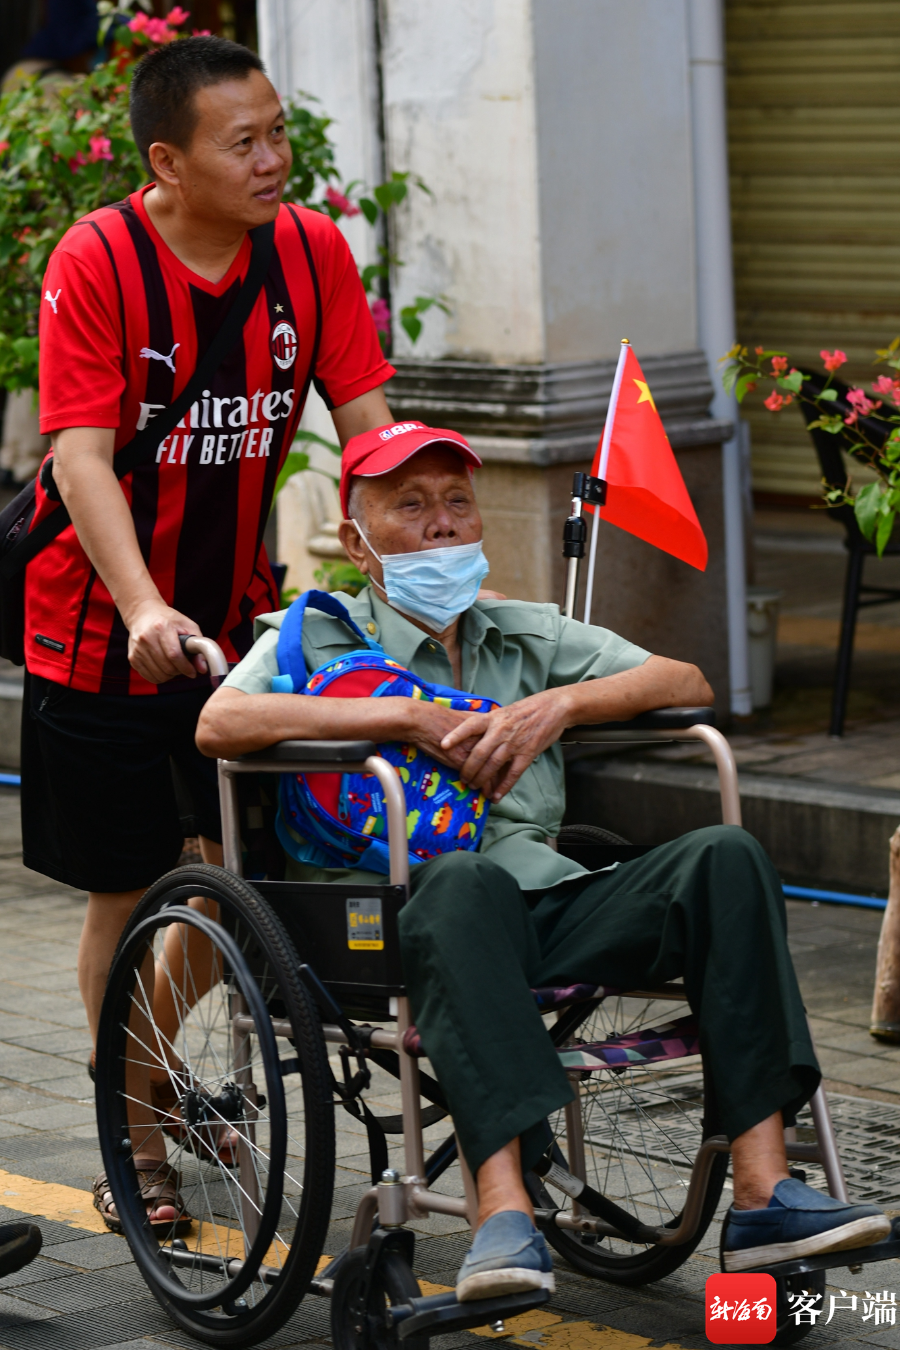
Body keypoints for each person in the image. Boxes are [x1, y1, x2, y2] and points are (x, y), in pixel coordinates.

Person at [197, 420, 890, 1297]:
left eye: (457, 503)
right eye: (411, 507)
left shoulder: (523, 635)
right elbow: (219, 725)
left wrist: (560, 706)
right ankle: (503, 1209)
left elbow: (686, 682)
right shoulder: (317, 637)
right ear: (357, 541)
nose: (443, 525)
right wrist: (402, 717)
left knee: (726, 856)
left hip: (545, 904)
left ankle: (763, 1193)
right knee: (460, 881)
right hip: (396, 921)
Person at [25, 35, 395, 1228]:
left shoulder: (309, 253)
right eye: (247, 143)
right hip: (96, 625)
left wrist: (415, 561)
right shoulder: (101, 263)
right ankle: (131, 1135)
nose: (277, 159)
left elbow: (371, 426)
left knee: (234, 861)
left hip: (235, 621)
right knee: (128, 892)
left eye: (280, 132)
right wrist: (140, 604)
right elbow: (80, 459)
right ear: (167, 162)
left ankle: (131, 1077)